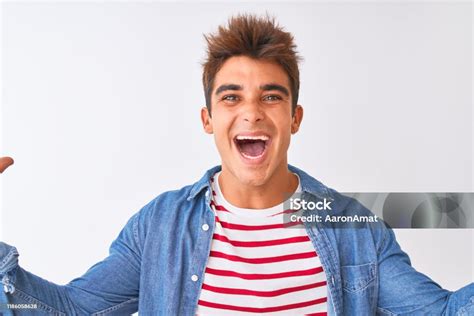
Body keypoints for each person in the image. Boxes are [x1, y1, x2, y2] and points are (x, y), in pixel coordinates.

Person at [0, 14, 473, 316]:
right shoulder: (160, 227)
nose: (251, 112)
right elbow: (72, 311)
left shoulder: (353, 229)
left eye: (271, 96)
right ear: (209, 119)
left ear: (294, 118)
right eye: (232, 97)